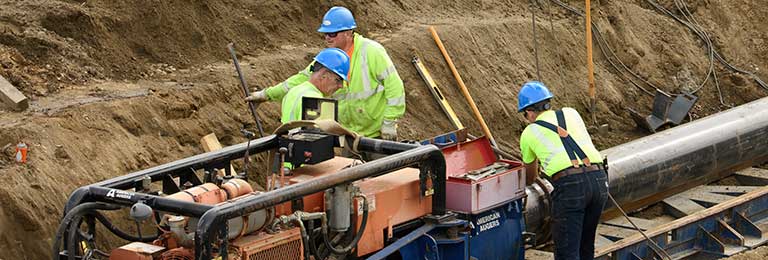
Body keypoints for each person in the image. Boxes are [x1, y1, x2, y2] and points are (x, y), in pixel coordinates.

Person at [246, 6, 405, 140]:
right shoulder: (329, 58)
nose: (327, 38)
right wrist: (267, 95)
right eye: (325, 34)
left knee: (383, 176)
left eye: (332, 34)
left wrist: (389, 122)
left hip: (376, 134)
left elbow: (395, 88)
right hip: (348, 134)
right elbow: (301, 80)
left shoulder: (371, 52)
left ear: (348, 33)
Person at [517, 81, 608, 260]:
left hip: (570, 187)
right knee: (585, 246)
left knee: (567, 252)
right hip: (599, 180)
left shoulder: (529, 132)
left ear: (528, 112)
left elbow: (530, 177)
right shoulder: (571, 113)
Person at [276, 48, 350, 123]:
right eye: (338, 80)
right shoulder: (316, 100)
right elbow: (315, 134)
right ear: (324, 75)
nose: (341, 86)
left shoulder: (294, 91)